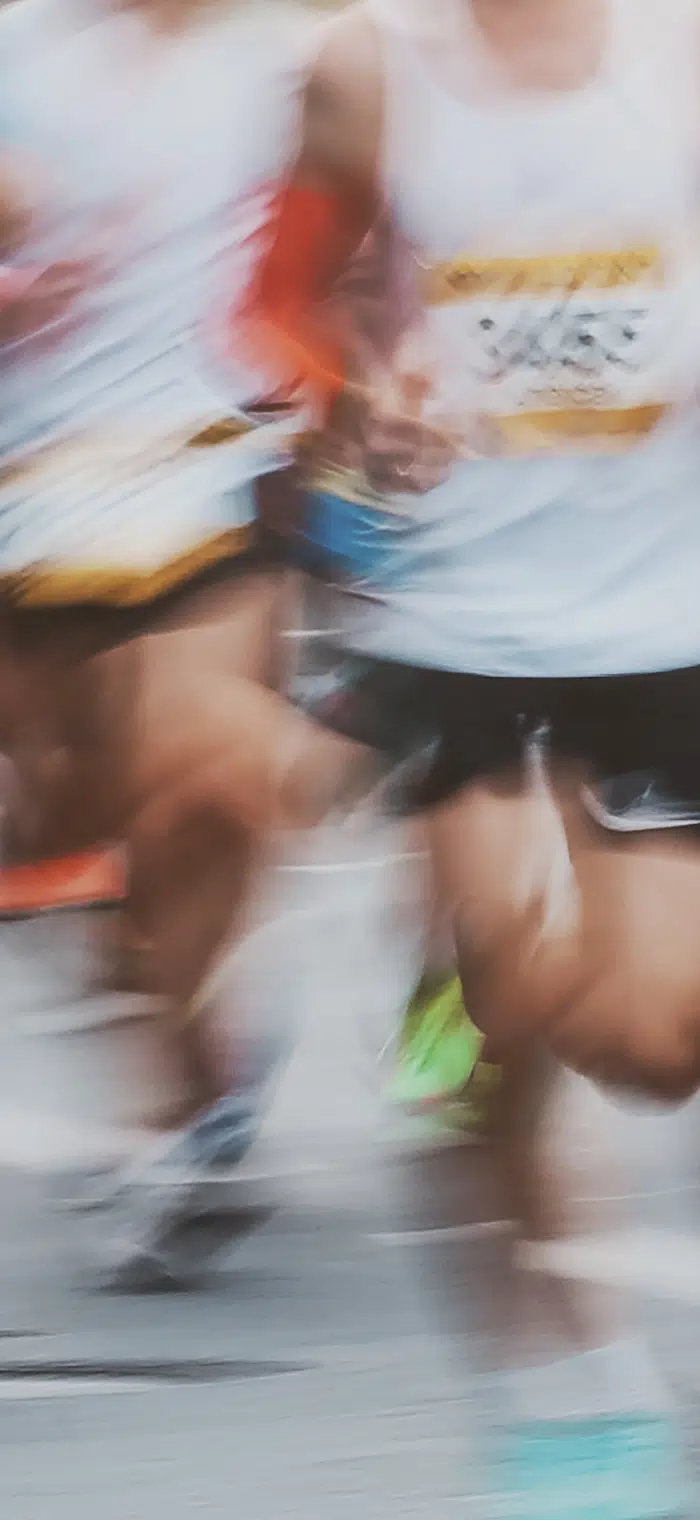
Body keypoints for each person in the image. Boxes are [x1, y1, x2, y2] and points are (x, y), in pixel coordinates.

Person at [252, 0, 700, 1520]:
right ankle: (567, 1372)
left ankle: (448, 1007)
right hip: (458, 620)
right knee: (505, 1006)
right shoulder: (370, 72)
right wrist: (364, 391)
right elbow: (276, 303)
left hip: (667, 616)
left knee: (658, 1044)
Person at [0, 0, 350, 1289]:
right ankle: (195, 1060)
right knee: (60, 826)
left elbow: (383, 237)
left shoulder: (294, 61)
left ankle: (172, 1116)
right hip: (23, 492)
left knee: (201, 773)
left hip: (208, 469)